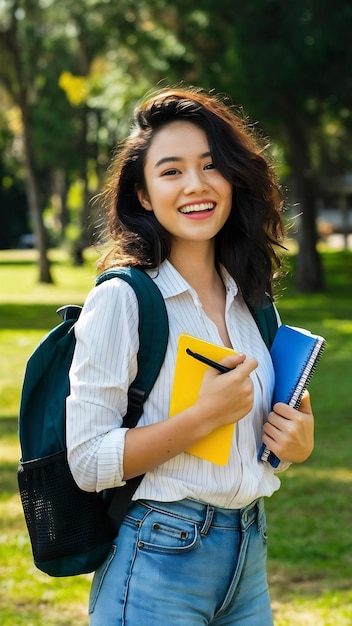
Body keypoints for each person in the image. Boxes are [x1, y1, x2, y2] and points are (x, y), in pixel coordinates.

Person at [66, 87, 314, 625]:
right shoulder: (123, 299)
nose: (196, 185)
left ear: (232, 177)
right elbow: (87, 461)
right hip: (157, 560)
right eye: (172, 171)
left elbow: (257, 442)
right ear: (144, 196)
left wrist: (294, 443)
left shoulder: (251, 302)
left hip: (248, 556)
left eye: (210, 165)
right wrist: (201, 417)